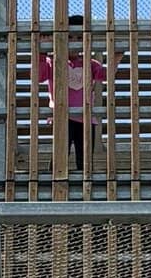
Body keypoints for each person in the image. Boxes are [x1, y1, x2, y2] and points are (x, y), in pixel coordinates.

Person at [35, 14, 106, 171]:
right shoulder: (53, 61)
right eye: (70, 37)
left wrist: (117, 55)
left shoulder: (90, 63)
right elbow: (39, 76)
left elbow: (105, 74)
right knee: (60, 154)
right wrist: (42, 53)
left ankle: (86, 183)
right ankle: (54, 181)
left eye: (79, 37)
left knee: (85, 157)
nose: (74, 41)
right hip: (62, 115)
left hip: (86, 117)